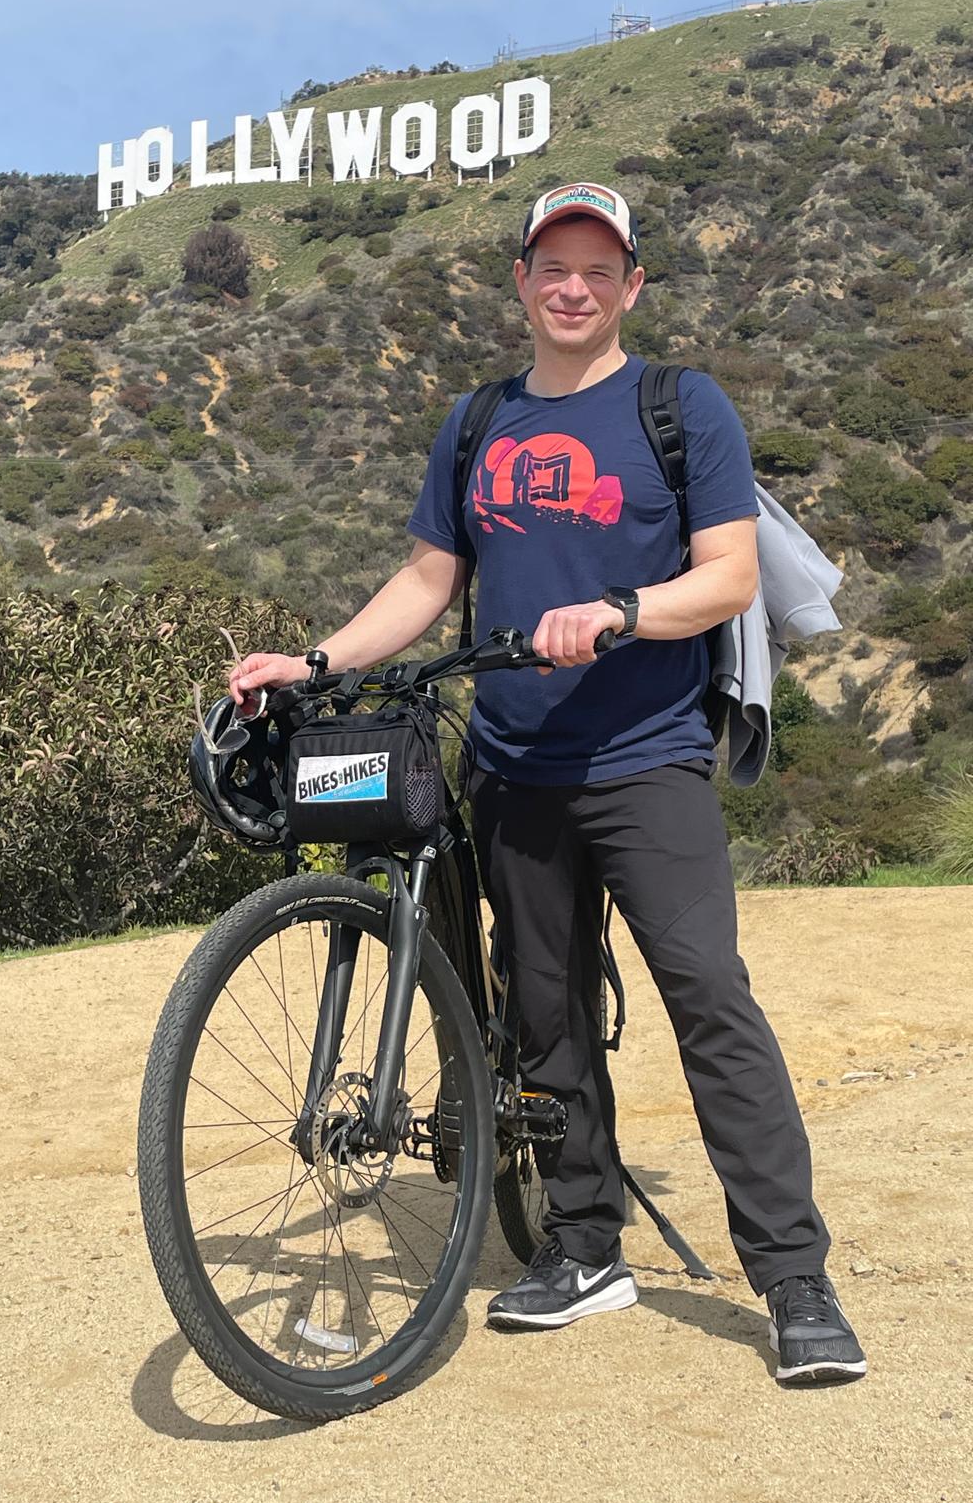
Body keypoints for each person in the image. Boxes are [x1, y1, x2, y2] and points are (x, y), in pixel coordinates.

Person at [228, 181, 866, 1387]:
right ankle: (583, 1243)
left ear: (631, 286)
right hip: (513, 768)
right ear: (520, 281)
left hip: (646, 761)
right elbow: (427, 584)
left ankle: (794, 1277)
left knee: (709, 1003)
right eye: (551, 266)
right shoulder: (479, 424)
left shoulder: (682, 409)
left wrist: (623, 612)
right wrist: (312, 659)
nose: (573, 286)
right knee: (545, 1014)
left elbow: (727, 578)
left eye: (598, 268)